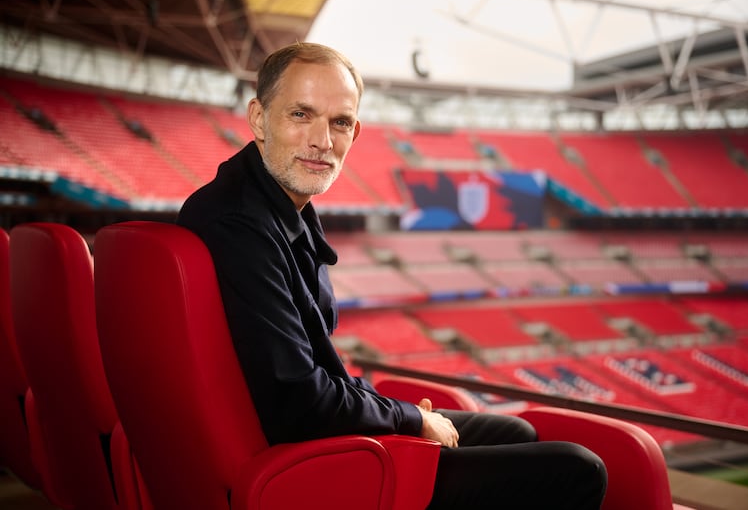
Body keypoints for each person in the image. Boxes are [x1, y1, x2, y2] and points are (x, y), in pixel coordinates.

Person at [177, 41, 607, 509]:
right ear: (259, 118)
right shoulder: (240, 224)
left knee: (515, 430)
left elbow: (313, 372)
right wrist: (410, 421)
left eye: (339, 122)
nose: (323, 140)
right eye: (301, 114)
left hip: (305, 436)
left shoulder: (272, 207)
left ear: (355, 132)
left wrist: (396, 415)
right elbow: (297, 400)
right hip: (306, 464)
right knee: (578, 467)